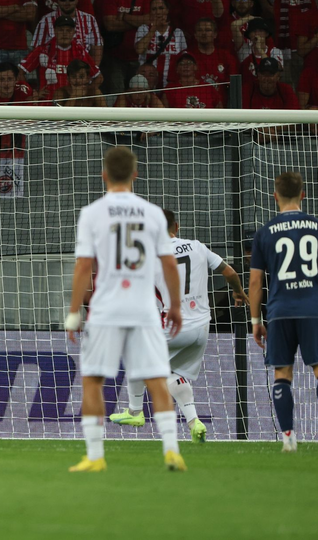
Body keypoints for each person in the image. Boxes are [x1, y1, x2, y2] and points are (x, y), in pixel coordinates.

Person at [65, 146, 186, 472]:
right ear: (135, 174)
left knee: (93, 380)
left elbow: (84, 266)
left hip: (105, 309)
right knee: (156, 379)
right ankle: (172, 451)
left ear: (104, 175)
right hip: (144, 309)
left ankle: (95, 457)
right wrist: (175, 306)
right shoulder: (153, 213)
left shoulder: (92, 213)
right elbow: (169, 264)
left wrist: (74, 312)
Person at [110, 208, 249, 442]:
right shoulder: (198, 246)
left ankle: (135, 412)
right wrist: (237, 291)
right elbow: (230, 272)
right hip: (202, 328)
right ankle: (195, 423)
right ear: (177, 227)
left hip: (173, 327)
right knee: (173, 373)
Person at [249, 172, 318, 453]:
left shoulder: (264, 232)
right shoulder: (316, 227)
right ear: (303, 194)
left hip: (279, 311)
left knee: (282, 373)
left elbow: (255, 281)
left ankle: (288, 437)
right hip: (314, 309)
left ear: (275, 196)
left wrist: (256, 320)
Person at [20, 15, 100, 103]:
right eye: (61, 30)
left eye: (68, 30)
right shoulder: (43, 50)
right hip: (48, 103)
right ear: (55, 31)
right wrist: (32, 93)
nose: (64, 33)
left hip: (72, 103)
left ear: (74, 32)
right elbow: (20, 72)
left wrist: (85, 93)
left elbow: (99, 77)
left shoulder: (80, 52)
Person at [32, 0, 103, 67]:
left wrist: (93, 70)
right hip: (55, 70)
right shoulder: (46, 20)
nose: (67, 2)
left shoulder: (90, 19)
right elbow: (37, 50)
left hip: (81, 70)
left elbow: (97, 47)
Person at [134, 0, 186, 88]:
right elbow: (139, 50)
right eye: (154, 9)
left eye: (161, 8)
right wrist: (154, 28)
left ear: (167, 10)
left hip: (171, 84)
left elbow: (183, 59)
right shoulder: (143, 29)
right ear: (150, 12)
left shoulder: (177, 32)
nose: (158, 12)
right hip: (147, 83)